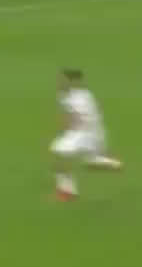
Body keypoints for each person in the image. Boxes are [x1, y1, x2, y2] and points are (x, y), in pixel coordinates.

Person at [51, 68, 123, 201]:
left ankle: (67, 192)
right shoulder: (81, 94)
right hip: (93, 132)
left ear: (72, 81)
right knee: (89, 162)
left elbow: (77, 117)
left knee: (59, 154)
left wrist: (68, 129)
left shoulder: (77, 98)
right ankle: (112, 163)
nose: (60, 82)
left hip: (84, 132)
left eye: (63, 79)